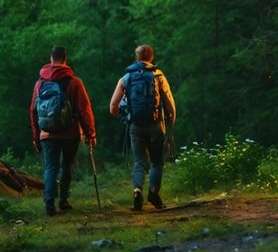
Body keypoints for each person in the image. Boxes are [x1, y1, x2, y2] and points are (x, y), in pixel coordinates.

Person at [30, 46, 96, 217]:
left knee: (51, 166)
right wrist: (90, 133)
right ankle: (64, 201)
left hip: (47, 134)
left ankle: (49, 203)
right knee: (66, 165)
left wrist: (36, 136)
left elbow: (33, 111)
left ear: (50, 59)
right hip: (70, 133)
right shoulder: (74, 82)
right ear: (65, 59)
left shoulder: (40, 84)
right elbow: (84, 110)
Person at [109, 44, 176, 211]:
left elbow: (112, 107)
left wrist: (125, 116)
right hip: (156, 126)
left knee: (139, 162)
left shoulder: (126, 78)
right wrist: (170, 127)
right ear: (151, 58)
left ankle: (137, 190)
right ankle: (153, 192)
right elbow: (170, 106)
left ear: (136, 57)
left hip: (136, 126)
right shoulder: (158, 75)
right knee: (157, 163)